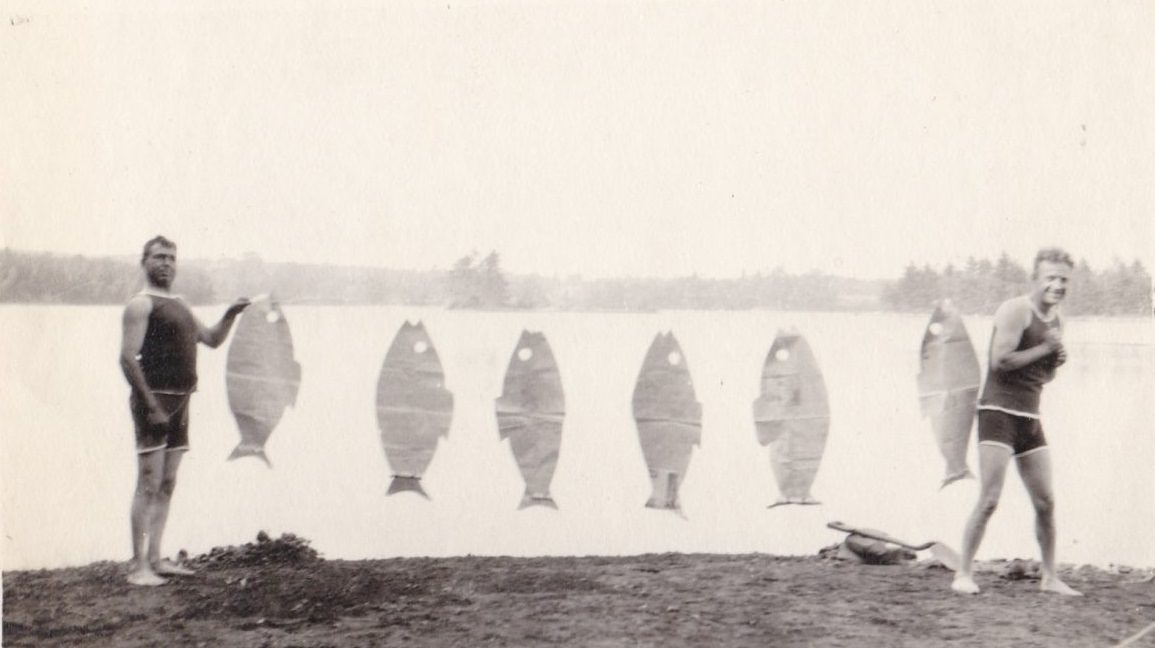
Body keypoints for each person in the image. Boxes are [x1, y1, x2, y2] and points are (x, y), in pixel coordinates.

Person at [119, 236, 250, 586]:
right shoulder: (140, 305)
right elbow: (127, 359)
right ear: (144, 261)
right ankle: (138, 566)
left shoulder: (180, 303)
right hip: (154, 403)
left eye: (172, 258)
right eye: (159, 257)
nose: (167, 263)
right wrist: (150, 406)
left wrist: (231, 314)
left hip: (182, 402)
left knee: (168, 482)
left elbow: (211, 339)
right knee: (148, 483)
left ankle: (158, 558)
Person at [951, 248, 1081, 596]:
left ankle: (1050, 578)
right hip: (998, 414)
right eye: (1050, 278)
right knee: (990, 498)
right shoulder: (1015, 310)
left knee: (1046, 502)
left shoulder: (1057, 320)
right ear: (1035, 279)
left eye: (1063, 279)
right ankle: (963, 573)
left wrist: (1055, 360)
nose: (1057, 285)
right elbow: (1000, 361)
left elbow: (1043, 377)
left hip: (1030, 418)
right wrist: (1045, 349)